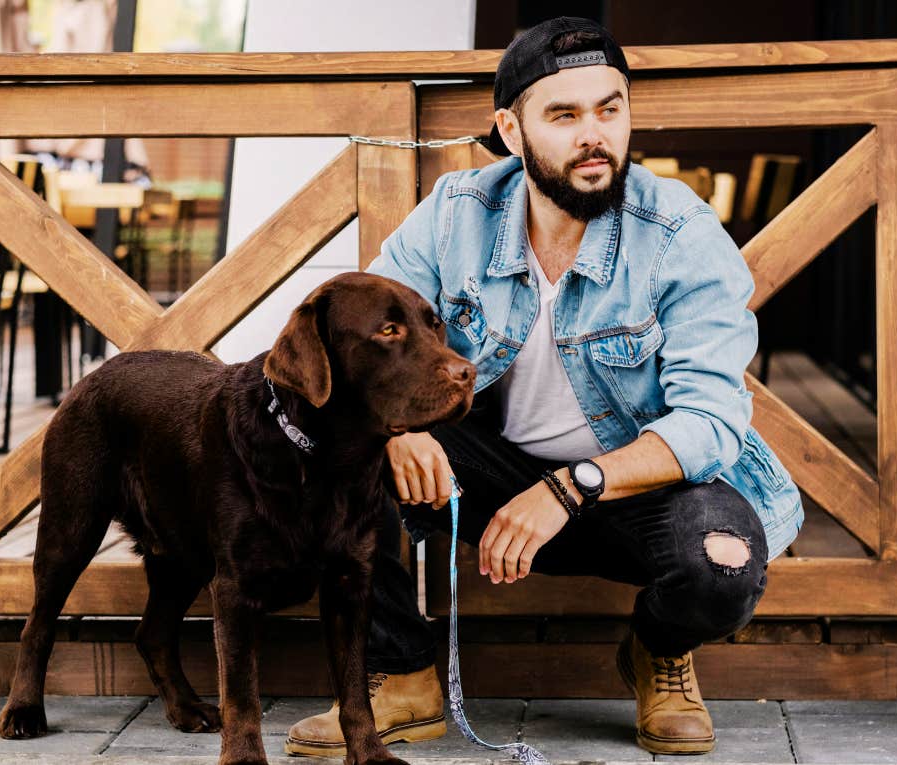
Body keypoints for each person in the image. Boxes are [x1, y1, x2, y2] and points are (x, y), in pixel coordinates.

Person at [284, 16, 804, 758]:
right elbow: (366, 342)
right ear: (510, 128)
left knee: (722, 561)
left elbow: (712, 422)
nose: (594, 135)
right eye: (563, 116)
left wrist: (571, 487)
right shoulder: (457, 214)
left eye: (609, 109)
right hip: (490, 474)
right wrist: (400, 429)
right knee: (335, 454)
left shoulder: (681, 234)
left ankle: (658, 651)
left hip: (639, 488)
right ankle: (402, 674)